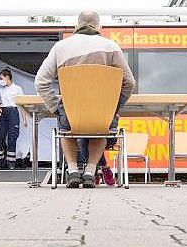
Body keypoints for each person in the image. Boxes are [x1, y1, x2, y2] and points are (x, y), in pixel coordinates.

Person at [35, 10, 135, 188]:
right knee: (100, 126)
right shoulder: (111, 46)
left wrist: (57, 106)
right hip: (102, 113)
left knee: (66, 127)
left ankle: (73, 170)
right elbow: (129, 82)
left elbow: (40, 81)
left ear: (76, 26)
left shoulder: (60, 47)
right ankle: (90, 171)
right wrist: (113, 106)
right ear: (99, 27)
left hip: (71, 116)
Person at [0, 68, 26, 170]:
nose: (0, 80)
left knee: (12, 137)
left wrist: (24, 119)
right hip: (3, 113)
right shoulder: (1, 90)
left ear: (7, 77)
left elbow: (22, 105)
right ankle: (0, 161)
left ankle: (11, 162)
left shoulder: (17, 89)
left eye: (1, 78)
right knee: (0, 136)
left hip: (13, 112)